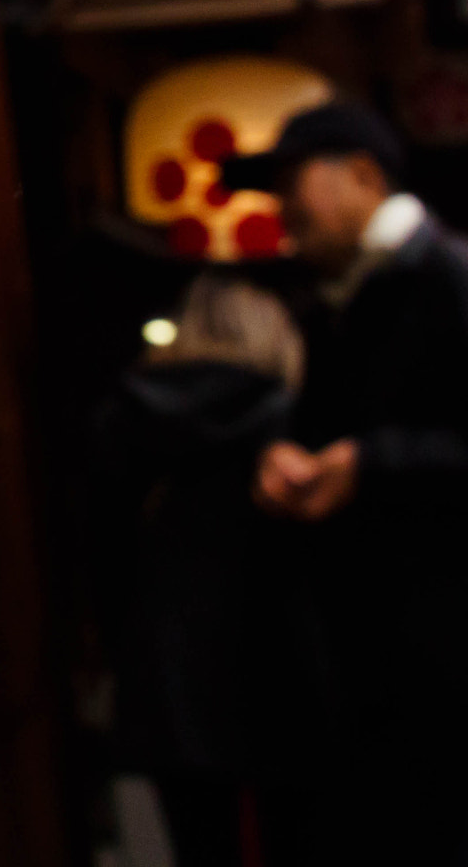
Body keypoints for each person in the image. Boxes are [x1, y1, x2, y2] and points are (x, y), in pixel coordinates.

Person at [225, 102, 468, 863]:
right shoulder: (341, 299)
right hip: (376, 665)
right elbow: (325, 429)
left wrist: (371, 465)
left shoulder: (446, 278)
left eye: (293, 184)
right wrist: (286, 457)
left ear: (363, 175)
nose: (282, 212)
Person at [91, 275, 327, 866]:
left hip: (168, 676)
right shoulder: (297, 417)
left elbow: (104, 560)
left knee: (199, 849)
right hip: (282, 669)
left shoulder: (124, 419)